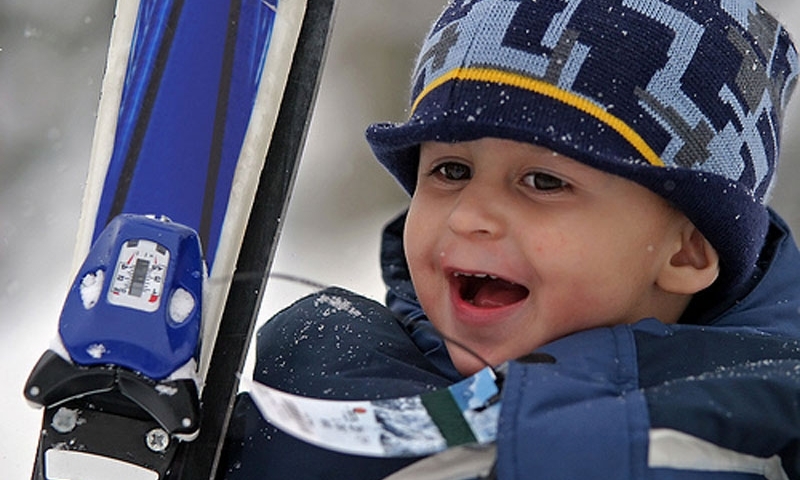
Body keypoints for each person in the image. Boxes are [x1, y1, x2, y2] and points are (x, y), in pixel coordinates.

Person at [220, 0, 800, 478]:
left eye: (543, 181)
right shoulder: (324, 381)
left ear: (687, 250)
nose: (470, 216)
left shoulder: (763, 431)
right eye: (451, 171)